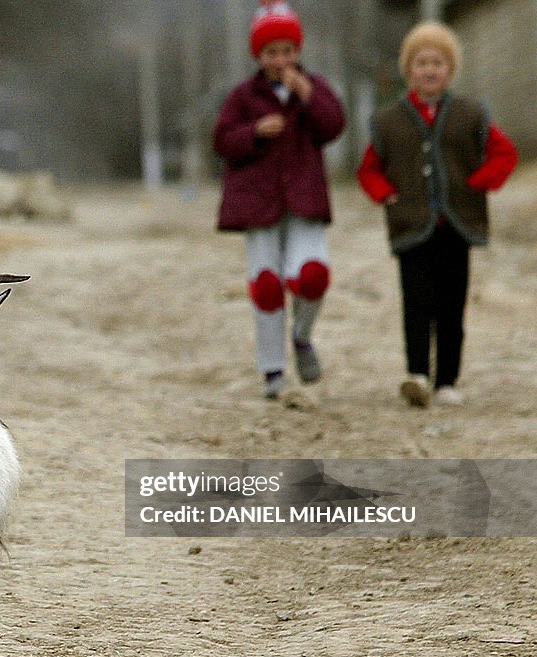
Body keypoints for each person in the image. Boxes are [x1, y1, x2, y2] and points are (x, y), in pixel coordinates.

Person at [357, 21, 517, 408]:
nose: (429, 70)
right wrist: (385, 194)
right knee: (416, 302)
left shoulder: (471, 114)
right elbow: (369, 169)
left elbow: (504, 153)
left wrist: (481, 180)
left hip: (456, 227)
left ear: (451, 69)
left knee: (451, 305)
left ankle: (447, 380)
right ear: (408, 69)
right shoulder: (387, 120)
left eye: (439, 62)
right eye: (421, 62)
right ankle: (417, 375)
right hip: (411, 227)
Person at [213, 1, 346, 400]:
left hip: (305, 202)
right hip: (259, 207)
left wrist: (308, 94)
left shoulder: (314, 89)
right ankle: (273, 370)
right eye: (272, 52)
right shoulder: (242, 96)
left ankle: (302, 337)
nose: (281, 59)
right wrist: (253, 131)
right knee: (268, 286)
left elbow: (334, 125)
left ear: (298, 51)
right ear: (259, 55)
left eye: (288, 50)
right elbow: (221, 141)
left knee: (312, 276)